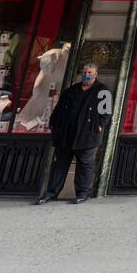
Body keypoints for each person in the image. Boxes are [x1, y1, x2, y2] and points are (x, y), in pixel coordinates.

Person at [36, 63, 110, 205]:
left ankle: (83, 193)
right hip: (66, 134)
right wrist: (54, 124)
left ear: (96, 75)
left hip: (87, 134)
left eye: (90, 72)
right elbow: (59, 109)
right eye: (84, 72)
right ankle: (51, 193)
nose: (86, 75)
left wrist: (100, 126)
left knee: (85, 165)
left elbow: (106, 112)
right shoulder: (72, 90)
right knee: (60, 164)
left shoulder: (103, 91)